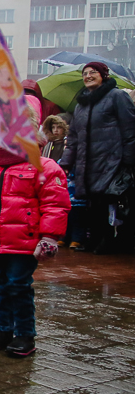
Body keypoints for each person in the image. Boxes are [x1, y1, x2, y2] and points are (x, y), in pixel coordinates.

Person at [0, 145, 70, 357]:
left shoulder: (43, 167)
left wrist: (49, 236)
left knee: (18, 286)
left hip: (24, 241)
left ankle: (24, 334)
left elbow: (55, 204)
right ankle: (2, 330)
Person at [58, 61, 135, 254]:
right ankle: (95, 241)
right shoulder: (81, 105)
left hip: (112, 160)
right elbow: (73, 137)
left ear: (104, 75)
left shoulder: (117, 96)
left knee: (108, 202)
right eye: (85, 73)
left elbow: (130, 129)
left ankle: (110, 243)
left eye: (93, 72)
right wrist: (66, 162)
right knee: (91, 204)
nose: (88, 76)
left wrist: (128, 159)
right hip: (88, 162)